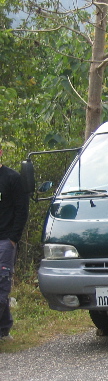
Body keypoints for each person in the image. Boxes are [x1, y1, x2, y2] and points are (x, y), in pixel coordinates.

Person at [0, 145, 30, 341]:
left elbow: (22, 209)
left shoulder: (12, 178)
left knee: (2, 285)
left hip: (4, 241)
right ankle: (4, 329)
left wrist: (13, 238)